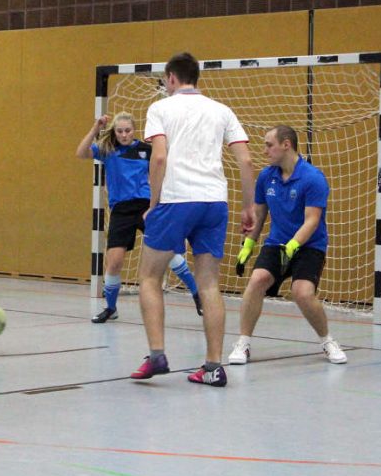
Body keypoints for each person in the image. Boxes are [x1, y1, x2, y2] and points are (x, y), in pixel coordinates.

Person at [130, 52, 255, 387]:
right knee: (210, 284)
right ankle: (213, 366)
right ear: (196, 77)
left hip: (176, 200)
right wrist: (248, 207)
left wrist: (154, 203)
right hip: (215, 202)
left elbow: (159, 157)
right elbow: (245, 161)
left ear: (171, 78)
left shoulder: (160, 108)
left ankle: (157, 354)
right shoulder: (222, 110)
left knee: (149, 278)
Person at [228, 125, 347, 365]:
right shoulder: (266, 176)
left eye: (269, 145)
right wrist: (248, 246)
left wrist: (292, 246)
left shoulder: (313, 178)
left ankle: (327, 341)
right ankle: (243, 343)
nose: (264, 150)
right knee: (257, 280)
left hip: (309, 245)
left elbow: (312, 220)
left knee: (302, 293)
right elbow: (259, 216)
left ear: (286, 145)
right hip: (276, 242)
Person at [76, 112, 202, 323]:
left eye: (127, 131)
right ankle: (111, 308)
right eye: (119, 131)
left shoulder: (146, 149)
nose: (124, 135)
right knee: (114, 262)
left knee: (167, 252)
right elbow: (81, 153)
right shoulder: (107, 150)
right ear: (114, 132)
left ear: (134, 130)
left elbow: (164, 171)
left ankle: (198, 295)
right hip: (121, 211)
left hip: (146, 207)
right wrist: (95, 129)